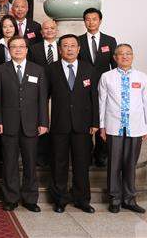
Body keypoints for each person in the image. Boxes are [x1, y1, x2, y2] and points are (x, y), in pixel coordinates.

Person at [0, 36, 48, 212]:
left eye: (21, 47)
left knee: (30, 163)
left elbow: (42, 99)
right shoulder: (1, 70)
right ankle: (11, 198)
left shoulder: (38, 70)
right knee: (10, 163)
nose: (18, 49)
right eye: (14, 47)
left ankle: (30, 199)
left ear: (26, 49)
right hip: (8, 123)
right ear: (9, 50)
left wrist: (43, 122)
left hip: (31, 124)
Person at [47, 34, 99, 214]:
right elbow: (44, 97)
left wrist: (95, 122)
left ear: (79, 48)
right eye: (65, 46)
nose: (69, 49)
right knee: (59, 163)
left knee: (81, 163)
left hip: (83, 125)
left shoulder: (88, 69)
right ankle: (59, 199)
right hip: (59, 124)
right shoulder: (51, 69)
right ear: (60, 49)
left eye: (72, 45)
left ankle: (82, 199)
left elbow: (94, 97)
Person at [98, 44, 147, 214]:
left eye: (128, 53)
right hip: (113, 126)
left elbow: (146, 103)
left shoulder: (142, 77)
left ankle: (129, 199)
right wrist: (102, 126)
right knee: (114, 164)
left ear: (133, 56)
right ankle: (114, 199)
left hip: (135, 127)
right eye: (121, 54)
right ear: (115, 58)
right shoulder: (107, 76)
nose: (125, 56)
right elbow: (102, 102)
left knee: (130, 164)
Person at [78, 7, 118, 167]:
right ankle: (86, 153)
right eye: (88, 19)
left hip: (105, 87)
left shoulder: (110, 41)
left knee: (103, 120)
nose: (91, 22)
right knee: (86, 120)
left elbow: (115, 66)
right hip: (84, 87)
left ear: (100, 21)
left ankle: (101, 154)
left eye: (94, 19)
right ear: (84, 21)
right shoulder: (78, 41)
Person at [27, 18, 59, 167]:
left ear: (57, 30)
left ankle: (55, 155)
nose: (49, 31)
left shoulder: (62, 47)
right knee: (41, 122)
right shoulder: (34, 49)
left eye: (52, 28)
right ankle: (41, 156)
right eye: (46, 28)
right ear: (41, 32)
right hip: (39, 90)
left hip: (59, 90)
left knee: (57, 123)